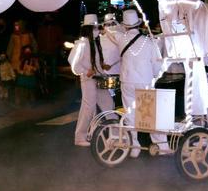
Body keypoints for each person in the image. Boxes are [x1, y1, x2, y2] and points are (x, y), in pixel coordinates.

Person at [111, 9, 170, 157]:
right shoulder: (149, 42)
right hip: (144, 81)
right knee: (150, 114)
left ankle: (134, 147)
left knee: (130, 115)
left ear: (125, 25)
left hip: (127, 80)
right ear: (139, 24)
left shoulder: (120, 39)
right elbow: (157, 65)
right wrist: (156, 75)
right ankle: (161, 146)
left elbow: (109, 30)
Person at [69, 14, 115, 147]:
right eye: (94, 27)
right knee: (88, 108)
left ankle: (115, 133)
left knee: (108, 104)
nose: (97, 30)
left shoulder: (95, 42)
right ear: (88, 29)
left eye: (97, 27)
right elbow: (73, 62)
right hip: (88, 80)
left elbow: (94, 61)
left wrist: (102, 65)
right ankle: (80, 137)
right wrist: (85, 72)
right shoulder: (82, 43)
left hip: (99, 79)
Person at [37, 13, 64, 84]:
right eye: (46, 17)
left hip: (53, 51)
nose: (47, 19)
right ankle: (43, 81)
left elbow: (60, 39)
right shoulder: (42, 28)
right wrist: (40, 49)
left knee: (53, 67)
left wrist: (57, 46)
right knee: (43, 67)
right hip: (43, 50)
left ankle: (54, 82)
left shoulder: (57, 28)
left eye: (49, 17)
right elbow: (39, 39)